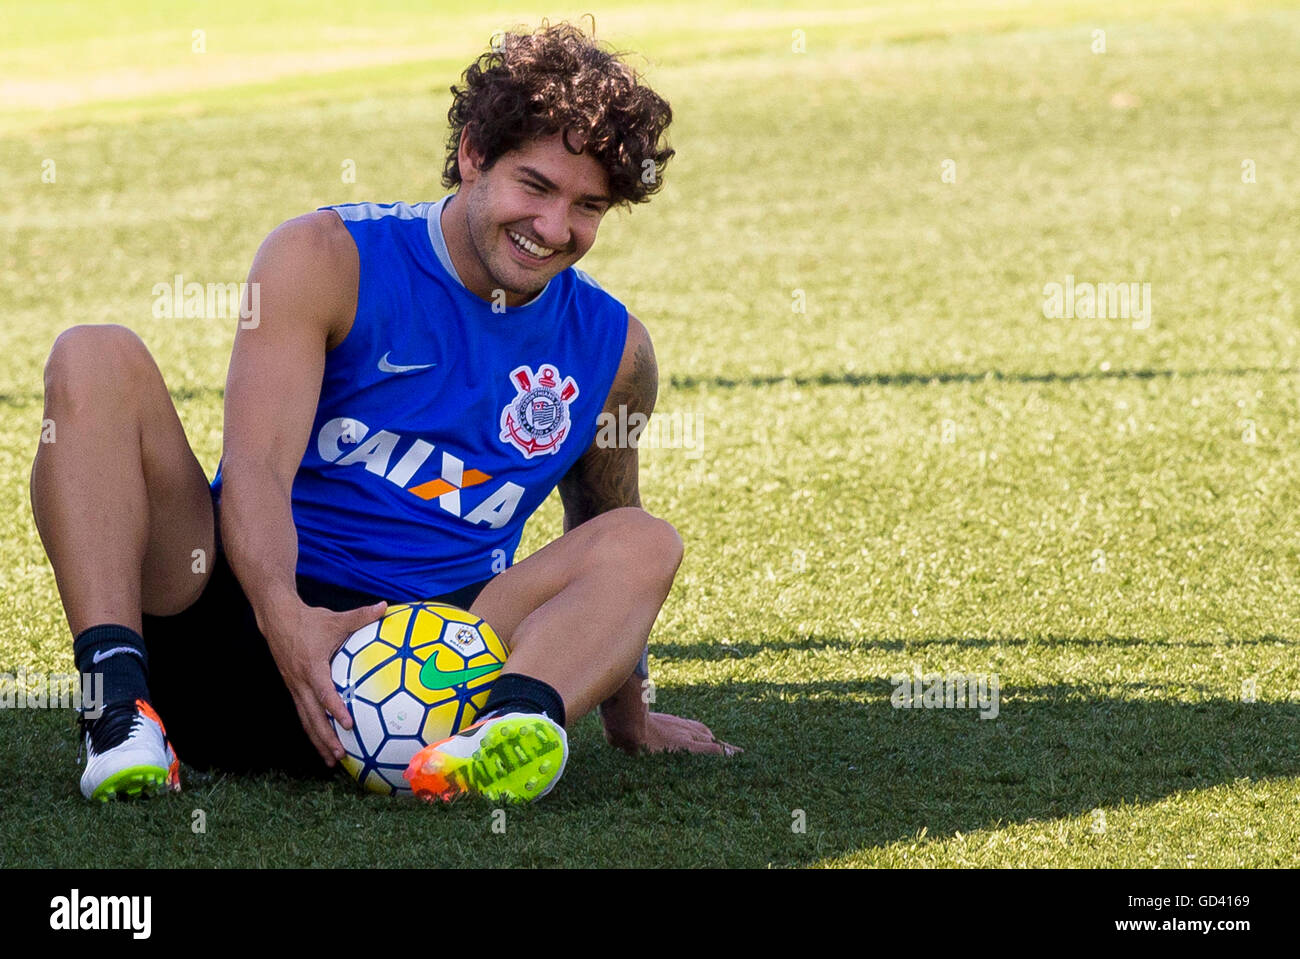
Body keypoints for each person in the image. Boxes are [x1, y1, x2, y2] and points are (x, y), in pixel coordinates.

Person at [30, 21, 736, 805]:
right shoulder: (324, 257)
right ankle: (118, 715)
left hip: (436, 677)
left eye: (588, 207)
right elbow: (257, 469)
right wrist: (285, 619)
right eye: (534, 186)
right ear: (473, 155)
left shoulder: (616, 352)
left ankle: (508, 729)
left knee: (646, 540)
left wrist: (630, 715)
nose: (554, 227)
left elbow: (604, 518)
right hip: (234, 631)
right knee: (94, 353)